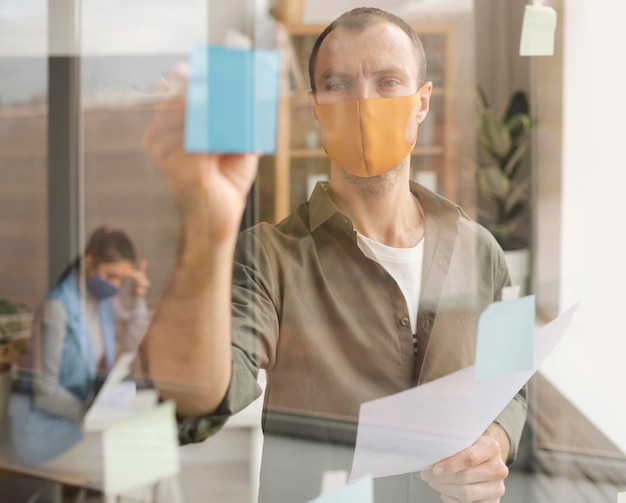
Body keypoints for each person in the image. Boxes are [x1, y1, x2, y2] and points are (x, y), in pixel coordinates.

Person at [143, 7, 526, 502]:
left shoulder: (483, 250)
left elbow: (514, 382)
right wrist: (204, 223)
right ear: (316, 106)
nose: (365, 103)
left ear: (422, 102)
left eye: (388, 82)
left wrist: (494, 442)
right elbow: (196, 400)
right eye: (340, 84)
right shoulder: (268, 257)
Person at [10, 225, 150, 465]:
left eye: (121, 279)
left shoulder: (104, 300)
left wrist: (138, 297)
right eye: (110, 276)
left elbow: (129, 344)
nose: (115, 286)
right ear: (89, 262)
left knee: (152, 447)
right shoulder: (56, 309)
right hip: (48, 431)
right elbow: (46, 391)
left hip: (85, 419)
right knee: (139, 457)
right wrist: (92, 411)